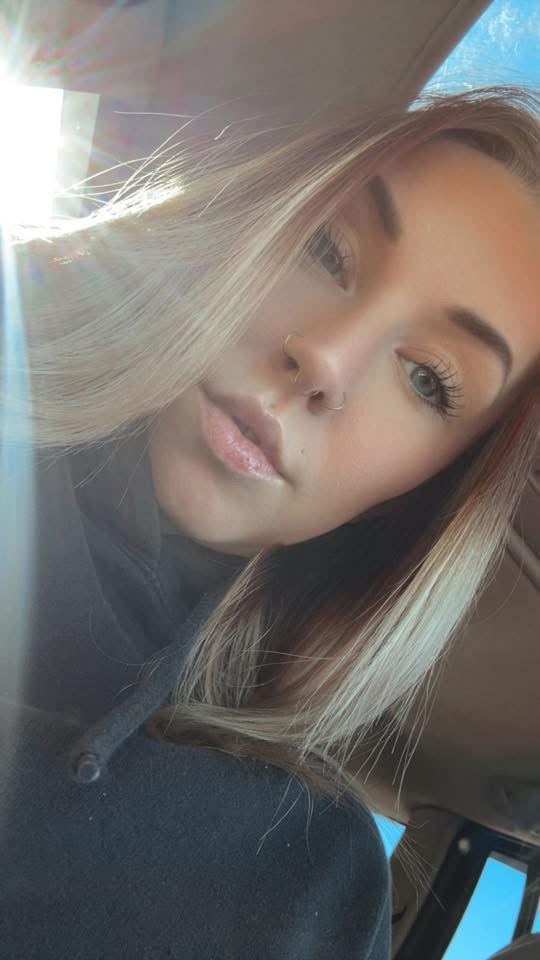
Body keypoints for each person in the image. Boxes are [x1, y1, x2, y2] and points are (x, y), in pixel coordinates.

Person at [1, 85, 539, 959]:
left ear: (424, 496)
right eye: (327, 249)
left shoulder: (303, 880)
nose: (323, 356)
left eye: (430, 379)